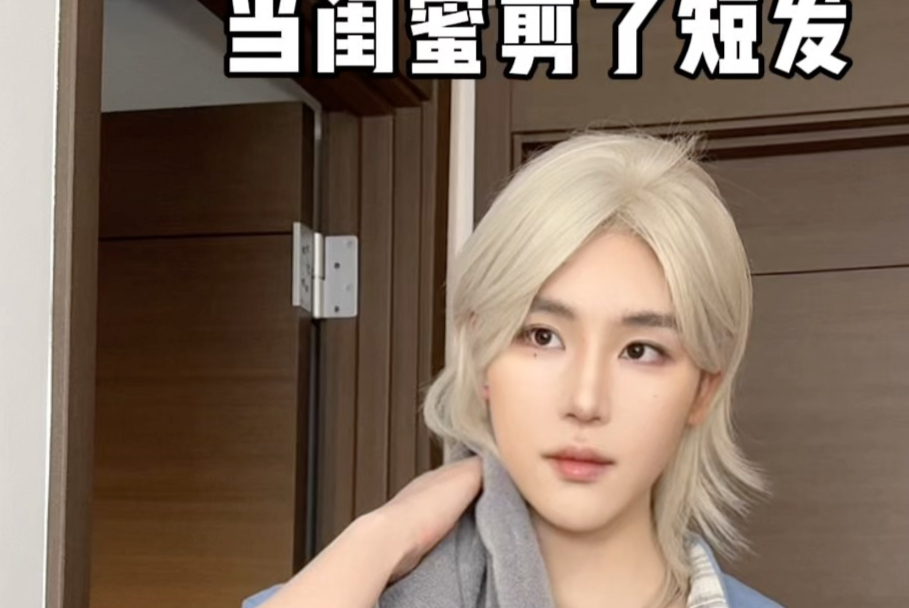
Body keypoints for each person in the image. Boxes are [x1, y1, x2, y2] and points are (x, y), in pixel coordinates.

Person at [244, 132, 783, 608]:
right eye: (542, 336)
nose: (585, 401)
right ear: (482, 356)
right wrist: (380, 537)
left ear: (703, 389)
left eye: (640, 350)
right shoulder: (336, 589)